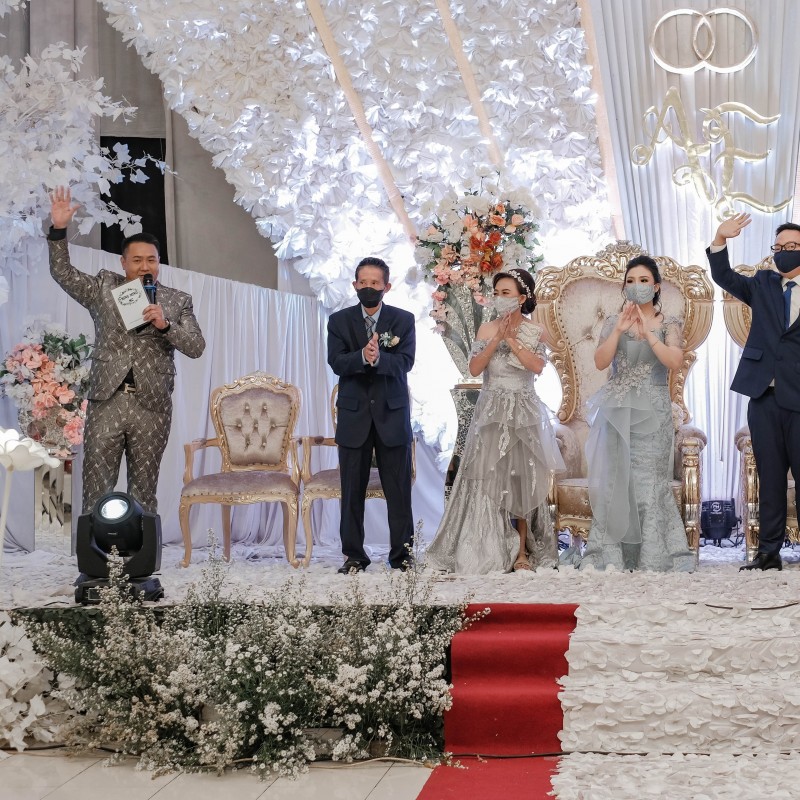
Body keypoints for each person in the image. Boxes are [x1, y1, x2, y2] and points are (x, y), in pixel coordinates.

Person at [48, 186, 205, 514]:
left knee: (143, 491)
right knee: (96, 487)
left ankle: (140, 547)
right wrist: (59, 230)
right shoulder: (104, 288)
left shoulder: (177, 301)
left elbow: (196, 347)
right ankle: (96, 548)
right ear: (123, 263)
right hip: (108, 400)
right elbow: (63, 274)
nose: (145, 266)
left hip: (152, 405)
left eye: (151, 260)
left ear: (159, 262)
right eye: (137, 260)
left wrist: (166, 325)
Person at [425, 269, 564, 573]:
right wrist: (496, 339)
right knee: (488, 477)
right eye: (497, 293)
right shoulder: (486, 329)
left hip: (524, 411)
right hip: (491, 412)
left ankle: (523, 552)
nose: (500, 298)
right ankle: (491, 545)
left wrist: (512, 340)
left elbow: (537, 366)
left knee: (522, 479)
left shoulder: (535, 331)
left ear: (522, 298)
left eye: (506, 293)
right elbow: (474, 369)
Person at [579, 255, 694, 572]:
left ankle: (653, 554)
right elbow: (601, 362)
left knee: (650, 481)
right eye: (630, 281)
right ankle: (613, 554)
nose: (636, 286)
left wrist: (649, 335)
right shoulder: (612, 322)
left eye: (644, 280)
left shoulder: (669, 323)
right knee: (618, 482)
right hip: (618, 411)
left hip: (654, 411)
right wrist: (618, 329)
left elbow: (674, 362)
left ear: (656, 287)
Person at [708, 214, 800, 570]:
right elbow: (724, 276)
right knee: (770, 477)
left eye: (793, 246)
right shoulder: (763, 284)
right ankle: (768, 553)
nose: (785, 252)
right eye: (779, 247)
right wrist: (720, 239)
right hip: (764, 396)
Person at [327, 256, 416, 573]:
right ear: (355, 285)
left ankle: (402, 556)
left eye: (374, 283)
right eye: (363, 282)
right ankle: (354, 555)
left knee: (399, 491)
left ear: (386, 287)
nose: (368, 287)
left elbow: (405, 362)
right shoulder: (338, 321)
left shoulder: (403, 320)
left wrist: (379, 359)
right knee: (352, 491)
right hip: (354, 418)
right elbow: (336, 362)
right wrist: (362, 357)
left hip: (392, 416)